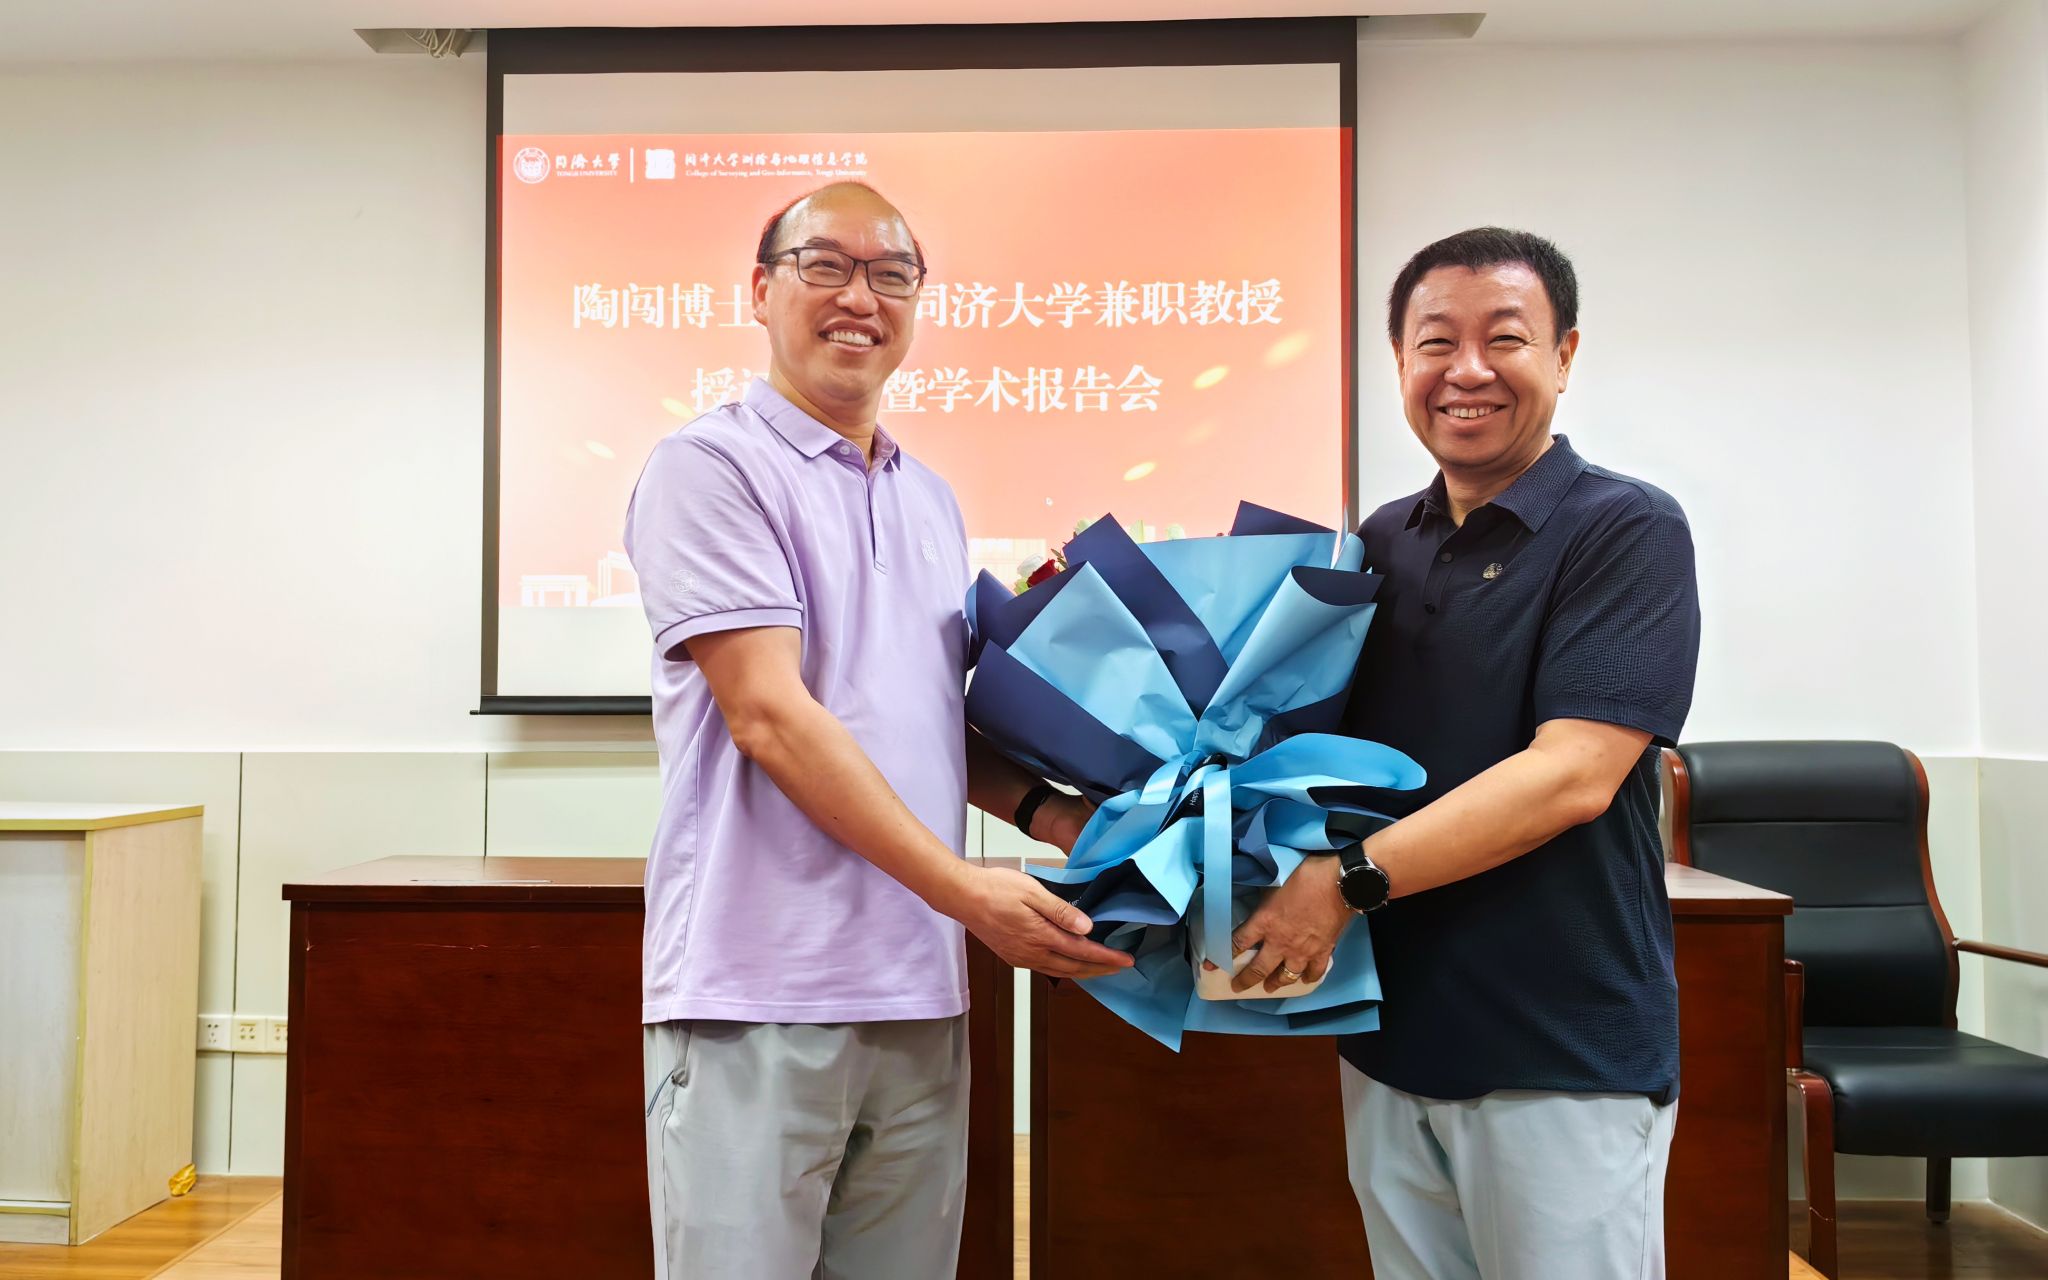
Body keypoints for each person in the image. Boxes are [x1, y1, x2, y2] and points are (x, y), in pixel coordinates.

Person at [626, 181, 1129, 1280]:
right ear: (761, 290)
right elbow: (769, 714)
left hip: (916, 989)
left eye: (891, 274)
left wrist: (1065, 819)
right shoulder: (709, 467)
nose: (860, 297)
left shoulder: (928, 496)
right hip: (756, 990)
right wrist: (966, 892)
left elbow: (934, 719)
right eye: (826, 265)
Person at [1228, 227, 1702, 1279]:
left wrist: (1341, 883)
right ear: (1400, 360)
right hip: (1391, 1034)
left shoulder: (1623, 528)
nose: (1467, 369)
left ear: (1563, 356)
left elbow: (1572, 774)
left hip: (1558, 1049)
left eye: (1506, 338)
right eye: (1436, 341)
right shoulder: (1378, 543)